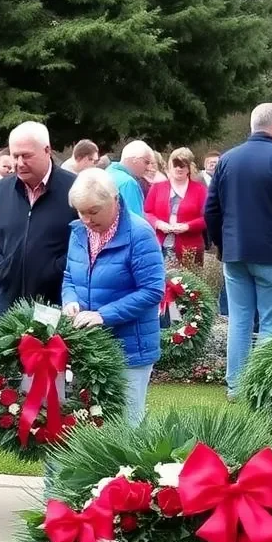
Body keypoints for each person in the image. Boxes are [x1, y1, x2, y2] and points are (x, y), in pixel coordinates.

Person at [205, 102, 272, 399]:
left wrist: (221, 244)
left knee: (240, 320)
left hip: (235, 252)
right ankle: (263, 389)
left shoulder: (228, 160)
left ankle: (235, 387)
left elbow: (211, 210)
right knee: (270, 320)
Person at [62, 168, 165, 424]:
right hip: (88, 347)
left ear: (115, 200)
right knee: (88, 423)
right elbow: (68, 276)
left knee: (126, 427)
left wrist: (102, 315)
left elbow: (153, 290)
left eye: (93, 211)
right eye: (80, 211)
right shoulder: (78, 232)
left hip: (130, 349)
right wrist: (70, 300)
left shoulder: (140, 235)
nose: (86, 219)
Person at [0, 121, 77, 313]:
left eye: (27, 156)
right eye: (15, 156)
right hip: (9, 305)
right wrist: (0, 265)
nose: (20, 163)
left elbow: (85, 241)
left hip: (55, 304)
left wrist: (55, 269)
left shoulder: (73, 189)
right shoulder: (2, 190)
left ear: (47, 150)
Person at [144, 147, 207, 266]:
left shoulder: (200, 190)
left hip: (190, 248)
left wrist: (188, 226)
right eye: (175, 164)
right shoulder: (157, 187)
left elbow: (207, 218)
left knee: (188, 284)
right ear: (170, 166)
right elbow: (147, 212)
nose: (178, 168)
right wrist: (159, 224)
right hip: (159, 246)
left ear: (189, 167)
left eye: (182, 165)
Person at [106, 140, 151, 217]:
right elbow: (135, 221)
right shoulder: (128, 183)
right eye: (146, 162)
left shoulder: (107, 172)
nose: (148, 168)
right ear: (135, 159)